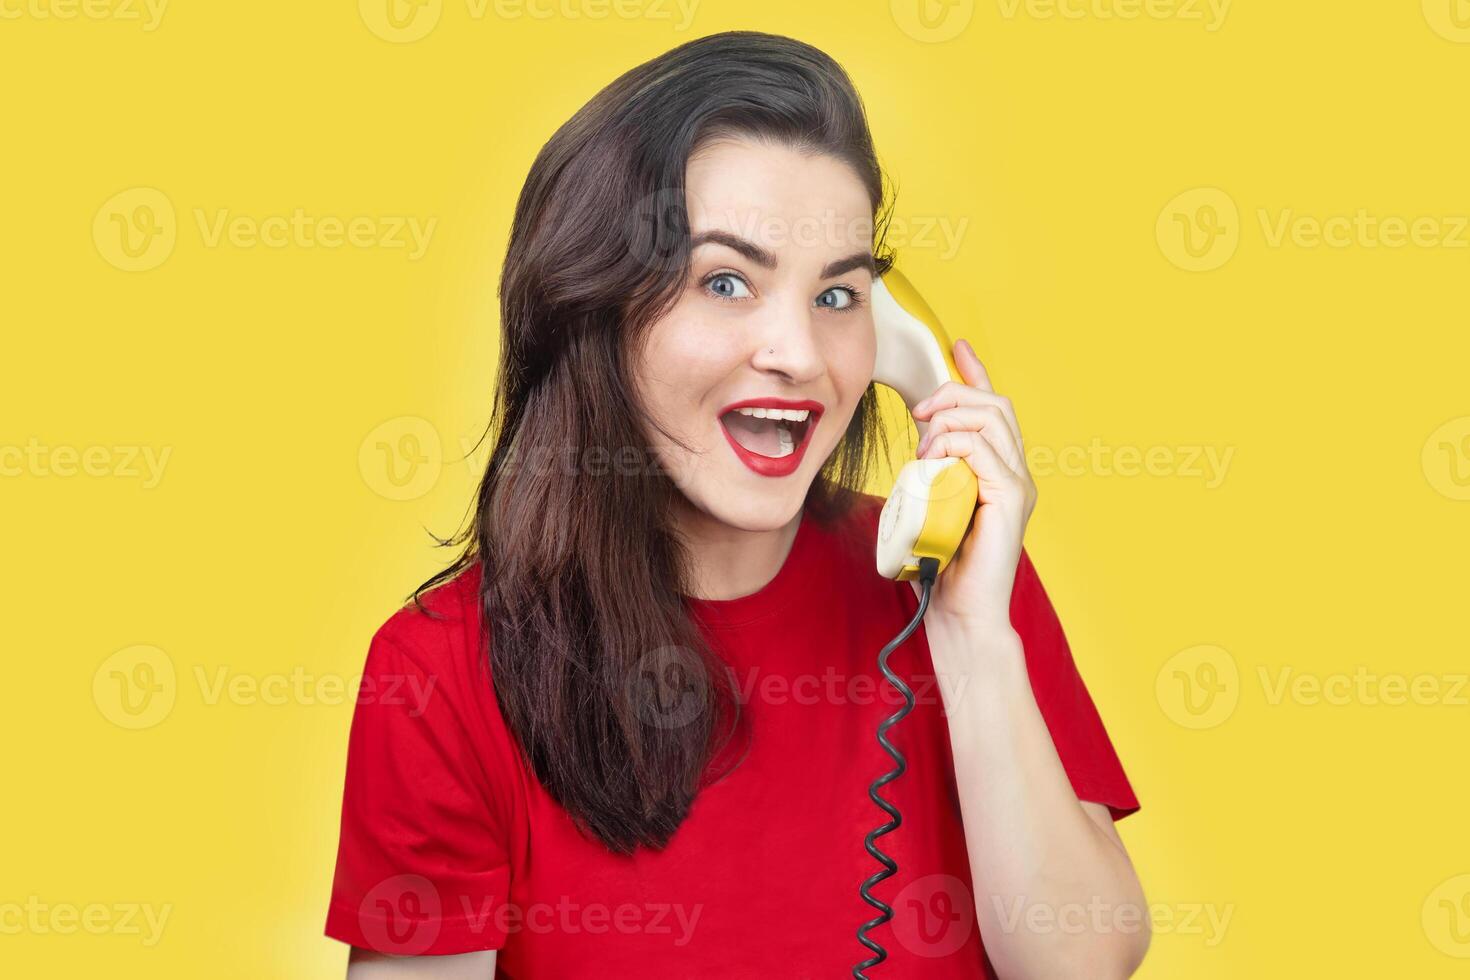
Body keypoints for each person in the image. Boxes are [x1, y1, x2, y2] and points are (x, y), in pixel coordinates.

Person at [325, 30, 1147, 979]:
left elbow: (1081, 964)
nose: (799, 354)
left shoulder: (962, 588)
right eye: (727, 281)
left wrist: (968, 637)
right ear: (595, 306)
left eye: (839, 295)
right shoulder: (439, 669)